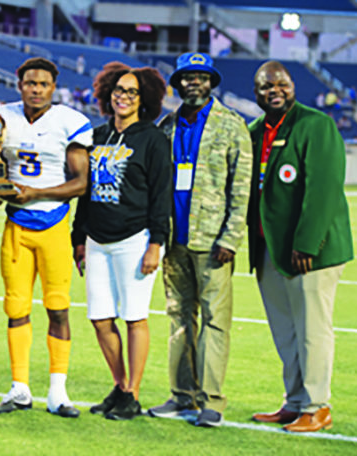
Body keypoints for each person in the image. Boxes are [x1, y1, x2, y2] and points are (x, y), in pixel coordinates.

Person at [247, 61, 353, 432]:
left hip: (311, 252)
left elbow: (323, 190)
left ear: (293, 86)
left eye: (281, 84)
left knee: (312, 330)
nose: (273, 91)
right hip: (270, 249)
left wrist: (308, 243)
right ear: (255, 93)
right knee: (286, 332)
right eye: (264, 87)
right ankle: (294, 402)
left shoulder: (315, 124)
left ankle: (317, 406)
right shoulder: (256, 130)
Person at [147, 52, 252, 428]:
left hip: (212, 243)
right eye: (187, 78)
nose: (194, 83)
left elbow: (241, 191)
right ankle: (181, 395)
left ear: (211, 83)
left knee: (215, 321)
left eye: (201, 77)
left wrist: (231, 237)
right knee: (178, 318)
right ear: (178, 84)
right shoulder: (167, 126)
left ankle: (212, 401)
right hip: (174, 239)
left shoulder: (232, 125)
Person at [0, 57, 92, 418]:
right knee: (15, 308)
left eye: (43, 84)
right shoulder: (1, 117)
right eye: (30, 83)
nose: (36, 89)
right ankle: (19, 388)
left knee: (58, 308)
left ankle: (58, 392)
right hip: (15, 223)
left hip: (53, 225)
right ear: (19, 85)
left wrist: (36, 193)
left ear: (53, 87)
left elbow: (81, 183)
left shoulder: (70, 121)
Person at [72, 62, 171, 421]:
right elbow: (84, 192)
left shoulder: (153, 139)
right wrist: (78, 238)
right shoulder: (96, 136)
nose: (123, 97)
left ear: (143, 99)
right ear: (107, 93)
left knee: (134, 318)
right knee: (100, 318)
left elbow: (162, 194)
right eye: (118, 90)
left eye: (131, 92)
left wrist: (156, 242)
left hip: (135, 238)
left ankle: (134, 392)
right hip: (97, 239)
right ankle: (120, 384)